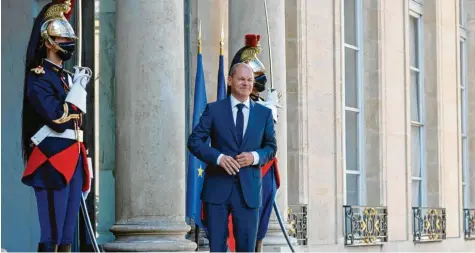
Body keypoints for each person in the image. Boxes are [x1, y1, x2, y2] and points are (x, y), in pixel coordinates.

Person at [20, 1, 92, 251]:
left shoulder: (68, 77)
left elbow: (79, 124)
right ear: (48, 42)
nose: (67, 43)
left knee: (66, 236)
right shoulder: (39, 76)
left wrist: (76, 88)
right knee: (52, 233)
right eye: (61, 38)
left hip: (74, 156)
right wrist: (76, 94)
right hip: (51, 157)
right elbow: (57, 118)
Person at [187, 62, 277, 252]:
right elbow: (194, 141)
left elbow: (271, 148)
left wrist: (254, 157)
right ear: (230, 80)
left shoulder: (265, 114)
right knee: (217, 248)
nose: (246, 83)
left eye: (250, 80)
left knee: (247, 249)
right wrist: (219, 158)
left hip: (249, 193)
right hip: (217, 190)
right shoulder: (214, 110)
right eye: (241, 79)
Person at [227, 34, 282, 252]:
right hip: (235, 176)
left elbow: (269, 145)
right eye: (248, 77)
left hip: (259, 169)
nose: (254, 82)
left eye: (254, 78)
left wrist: (271, 112)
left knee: (259, 222)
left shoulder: (262, 108)